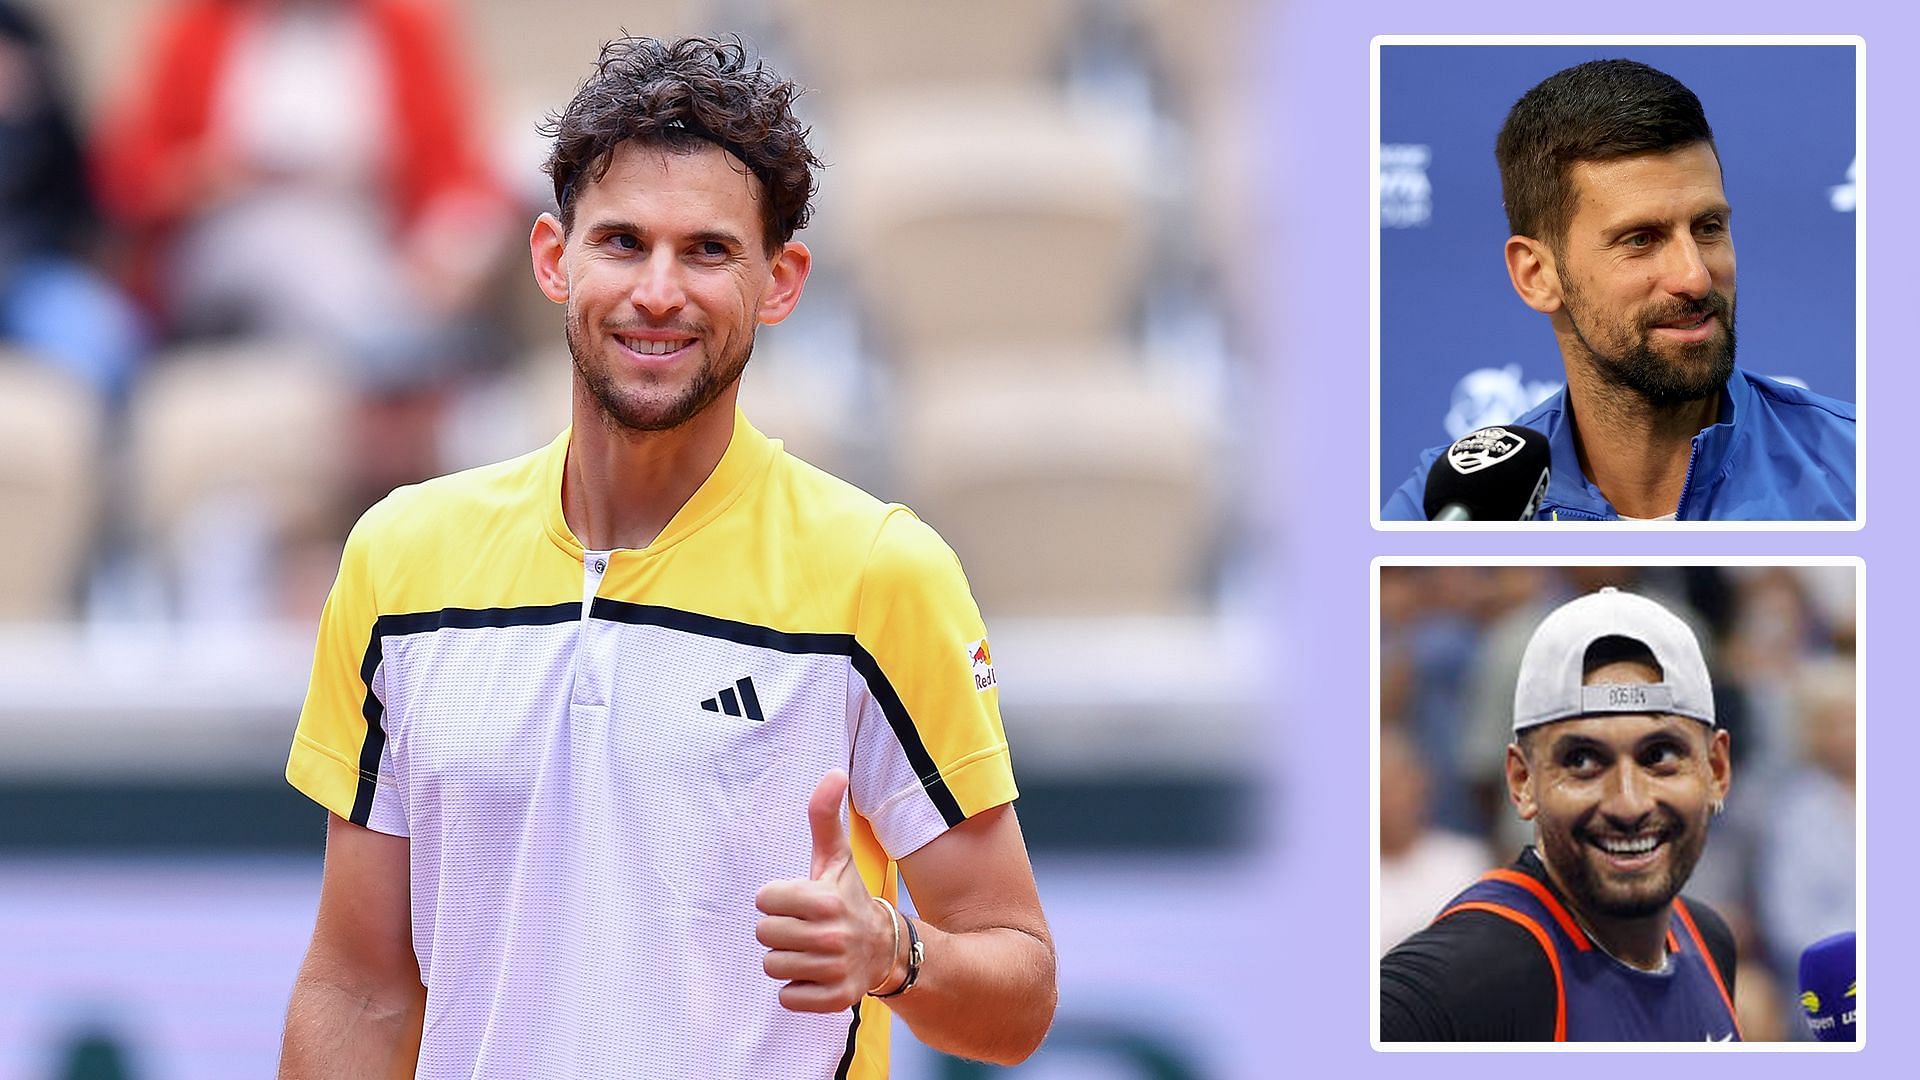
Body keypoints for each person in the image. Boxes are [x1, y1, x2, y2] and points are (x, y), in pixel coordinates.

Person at [278, 36, 1055, 1078]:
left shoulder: (880, 572)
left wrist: (892, 950)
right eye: (623, 242)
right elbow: (360, 983)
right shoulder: (400, 559)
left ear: (780, 282)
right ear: (554, 259)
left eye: (707, 251)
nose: (657, 291)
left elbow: (1020, 994)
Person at [1382, 59, 1855, 521]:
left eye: (1709, 227)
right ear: (1537, 275)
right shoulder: (1453, 509)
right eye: (1641, 240)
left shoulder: (1865, 470)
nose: (1695, 277)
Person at [1380, 587, 1741, 1041]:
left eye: (1660, 755)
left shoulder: (1706, 938)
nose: (1628, 803)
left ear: (1716, 769)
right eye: (1583, 761)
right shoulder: (1477, 971)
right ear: (1521, 781)